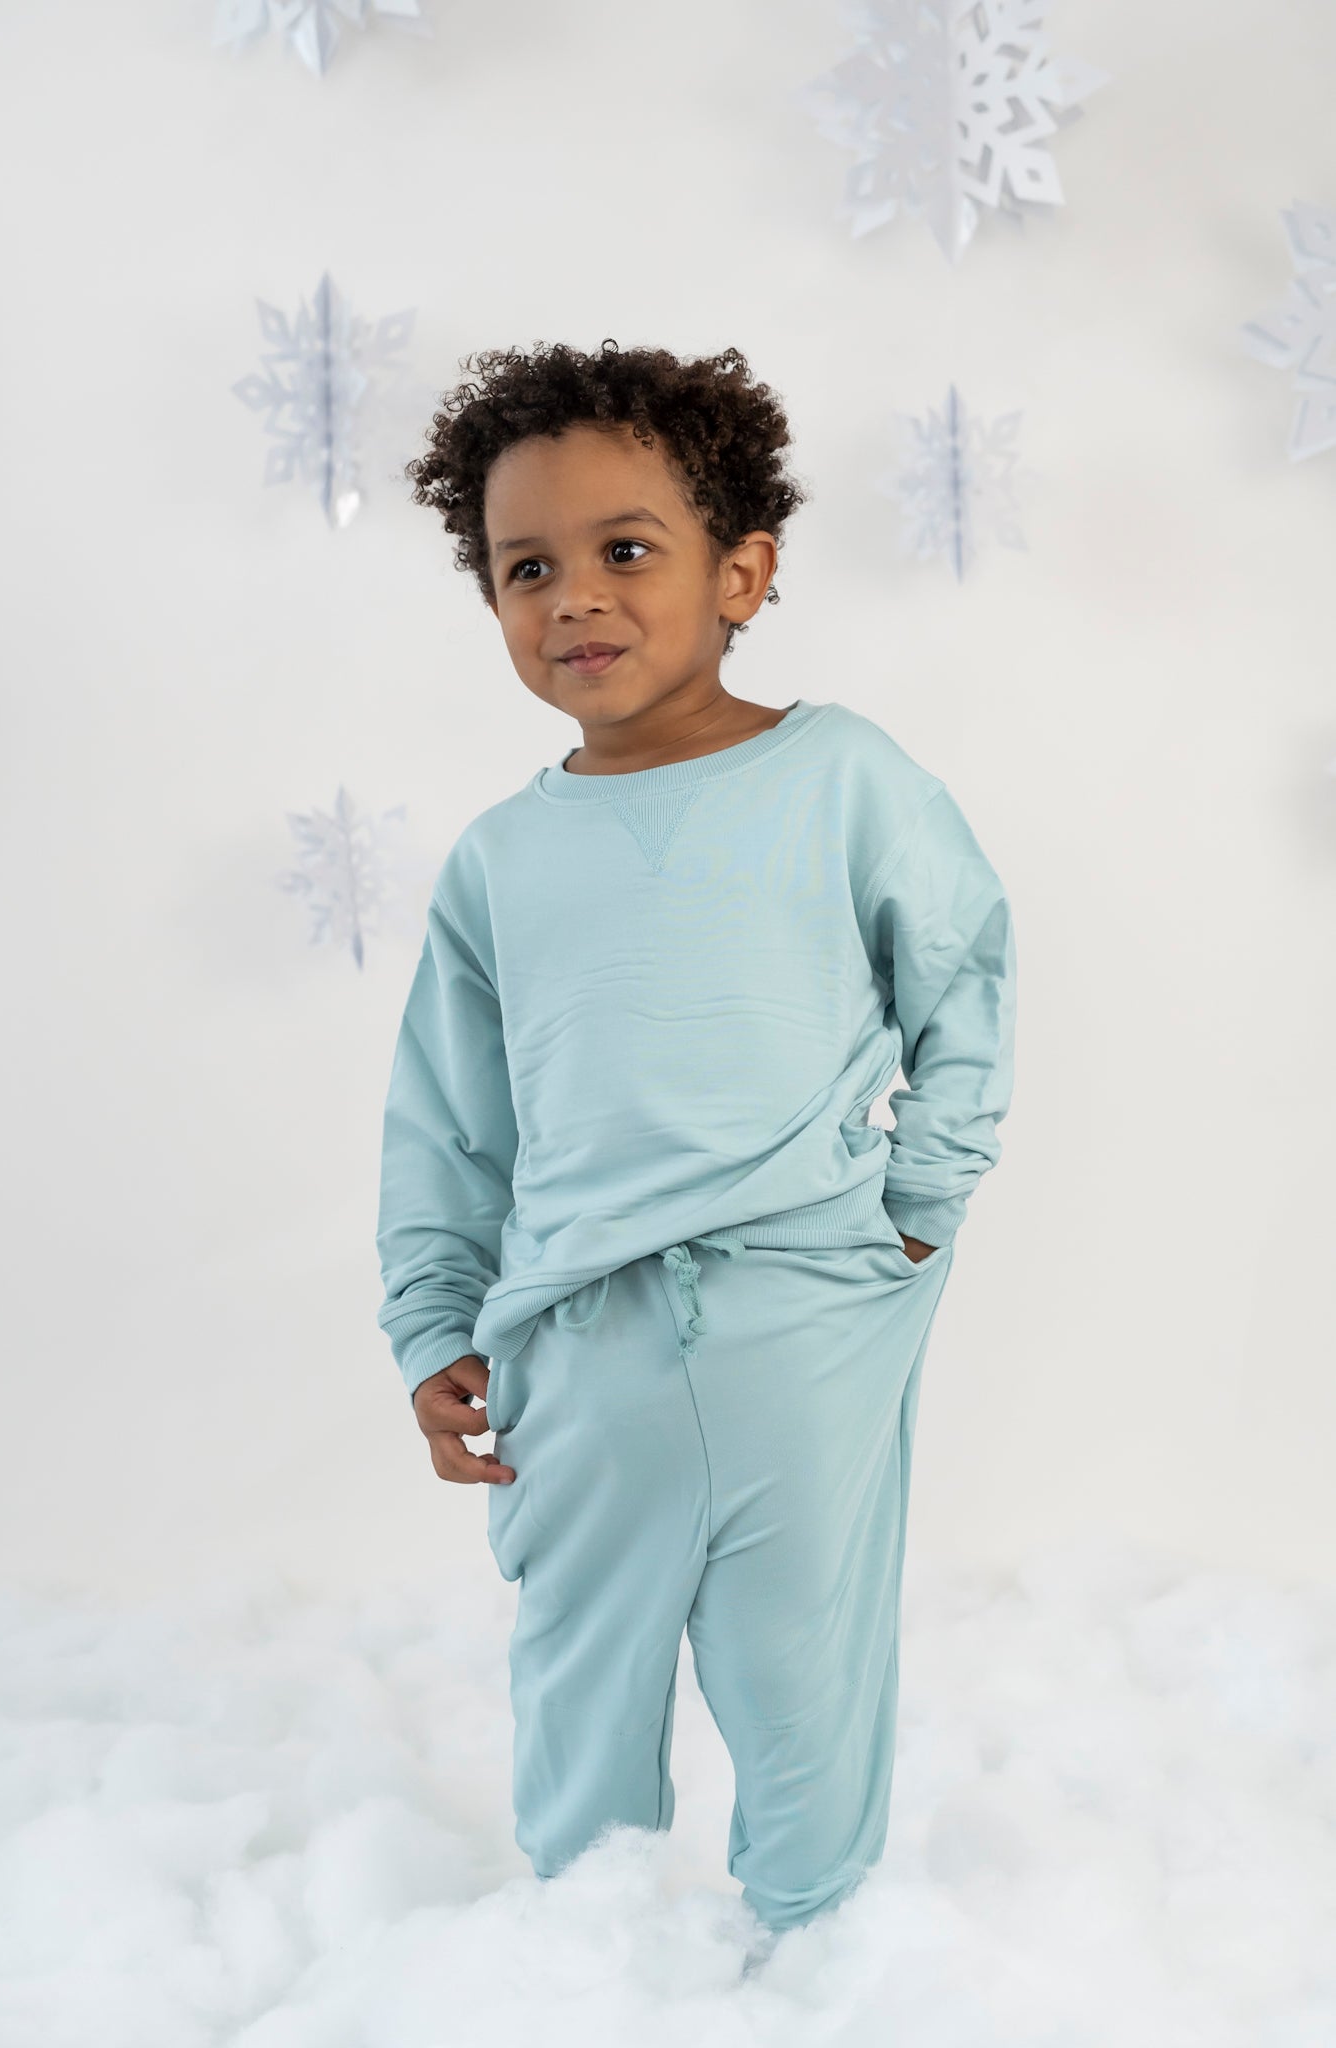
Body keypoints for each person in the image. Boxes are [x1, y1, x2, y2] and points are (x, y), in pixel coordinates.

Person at [374, 339, 1017, 1943]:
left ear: (742, 572)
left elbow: (961, 983)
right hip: (571, 1333)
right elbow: (449, 1122)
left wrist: (916, 1206)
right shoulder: (500, 860)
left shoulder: (843, 776)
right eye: (526, 568)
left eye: (624, 550)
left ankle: (812, 1942)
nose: (572, 598)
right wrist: (433, 1323)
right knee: (577, 1658)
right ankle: (589, 1953)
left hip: (805, 1304)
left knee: (800, 1654)